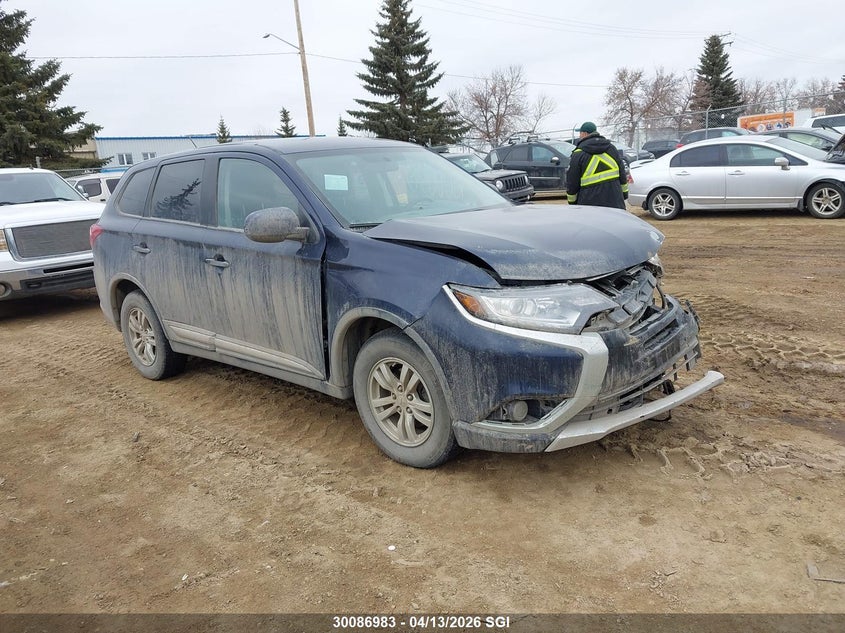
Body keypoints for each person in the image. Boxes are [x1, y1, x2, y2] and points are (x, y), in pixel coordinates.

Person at [566, 122, 628, 210]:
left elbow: (572, 181)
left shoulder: (578, 154)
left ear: (584, 133)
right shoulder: (611, 148)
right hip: (615, 200)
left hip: (589, 203)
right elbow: (622, 172)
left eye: (580, 133)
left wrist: (572, 202)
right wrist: (624, 194)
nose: (579, 136)